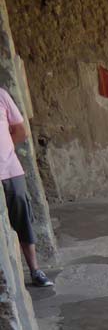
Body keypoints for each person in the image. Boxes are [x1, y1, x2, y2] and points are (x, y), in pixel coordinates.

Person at [0, 86, 52, 287]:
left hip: (10, 169)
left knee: (22, 217)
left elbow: (21, 131)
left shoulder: (2, 95)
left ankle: (35, 270)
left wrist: (5, 151)